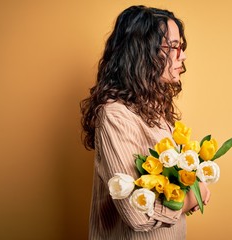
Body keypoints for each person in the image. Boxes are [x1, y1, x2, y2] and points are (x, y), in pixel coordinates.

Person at [80, 5, 211, 239]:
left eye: (181, 46)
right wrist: (191, 197)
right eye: (173, 46)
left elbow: (163, 189)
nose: (183, 55)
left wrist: (185, 188)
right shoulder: (115, 115)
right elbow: (136, 213)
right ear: (143, 52)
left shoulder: (154, 109)